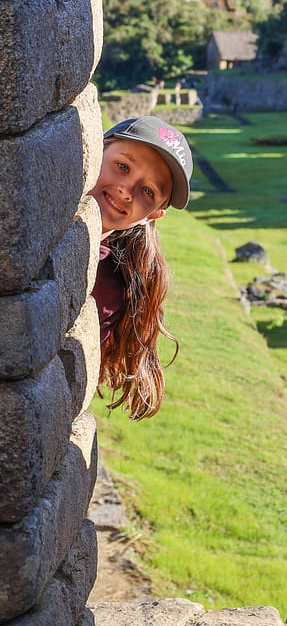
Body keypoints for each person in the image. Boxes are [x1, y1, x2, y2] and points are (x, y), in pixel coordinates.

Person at [89, 116, 193, 420]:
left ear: (155, 214)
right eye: (122, 167)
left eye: (147, 191)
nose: (126, 190)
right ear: (95, 150)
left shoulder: (106, 290)